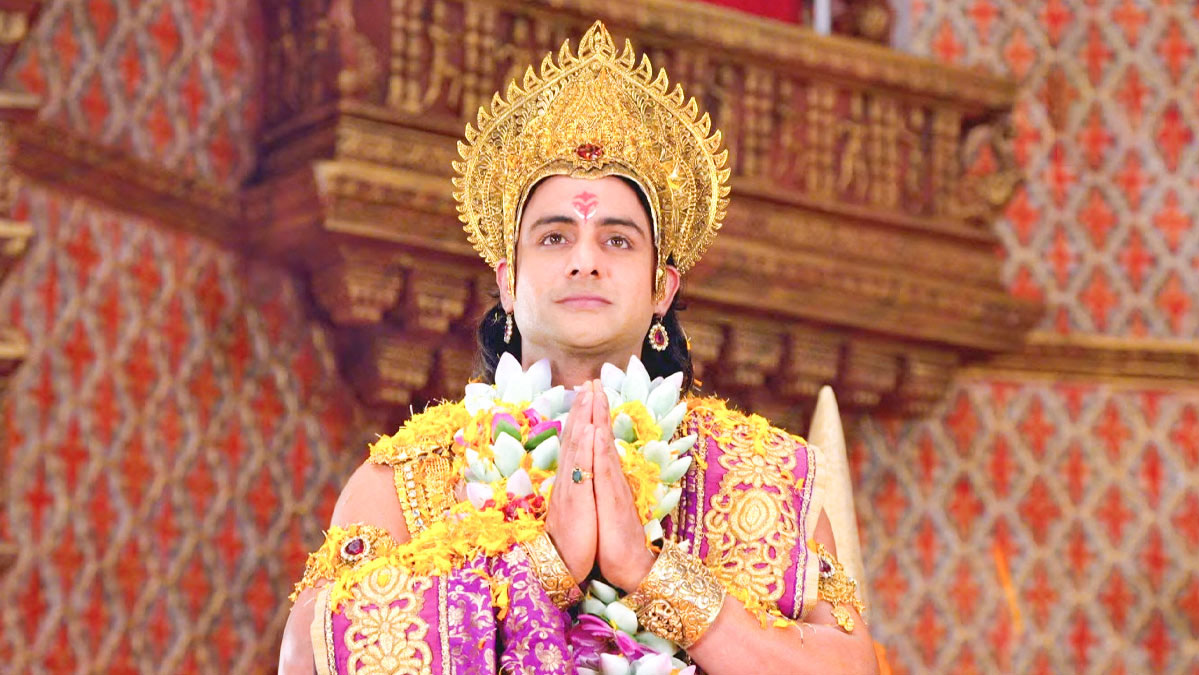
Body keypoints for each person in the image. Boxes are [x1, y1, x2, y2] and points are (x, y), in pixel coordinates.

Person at [280, 21, 877, 675]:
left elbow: (852, 668)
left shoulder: (763, 476)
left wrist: (649, 574)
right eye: (555, 237)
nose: (585, 260)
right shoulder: (407, 477)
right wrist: (546, 565)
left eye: (617, 240)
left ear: (662, 288)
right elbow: (304, 655)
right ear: (508, 282)